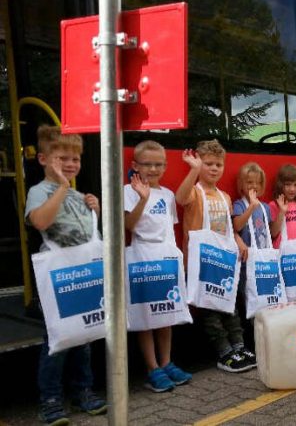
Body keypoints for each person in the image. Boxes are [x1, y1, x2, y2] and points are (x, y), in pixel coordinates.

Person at [26, 125, 107, 424]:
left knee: (83, 336)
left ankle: (83, 391)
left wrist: (94, 209)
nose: (71, 164)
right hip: (59, 275)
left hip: (82, 272)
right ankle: (49, 399)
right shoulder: (39, 191)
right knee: (57, 340)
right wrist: (61, 188)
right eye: (63, 158)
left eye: (76, 159)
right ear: (44, 159)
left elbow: (89, 233)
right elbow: (40, 221)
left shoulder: (76, 194)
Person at [175, 140, 256, 373]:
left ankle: (239, 346)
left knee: (229, 306)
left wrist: (239, 240)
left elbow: (228, 227)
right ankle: (223, 351)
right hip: (201, 262)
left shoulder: (224, 197)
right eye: (208, 164)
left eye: (218, 165)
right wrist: (193, 170)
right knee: (210, 310)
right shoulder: (195, 192)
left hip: (222, 261)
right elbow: (181, 198)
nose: (213, 168)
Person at [124, 140, 192, 392]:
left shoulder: (168, 194)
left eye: (158, 164)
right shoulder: (128, 191)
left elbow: (169, 228)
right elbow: (129, 225)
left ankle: (166, 362)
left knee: (166, 314)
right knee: (146, 316)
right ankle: (152, 367)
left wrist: (176, 257)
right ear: (135, 166)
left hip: (165, 259)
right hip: (142, 260)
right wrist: (143, 198)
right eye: (147, 164)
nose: (153, 169)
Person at [231, 162, 271, 347]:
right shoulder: (239, 205)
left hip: (263, 262)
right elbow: (237, 226)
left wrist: (281, 214)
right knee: (248, 300)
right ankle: (253, 341)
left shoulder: (265, 207)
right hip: (247, 265)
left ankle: (266, 338)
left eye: (257, 183)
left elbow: (272, 232)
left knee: (265, 299)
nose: (253, 187)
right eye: (249, 182)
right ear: (241, 184)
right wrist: (250, 208)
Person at [269, 164, 296, 247]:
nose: (292, 189)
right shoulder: (274, 205)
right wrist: (282, 211)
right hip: (283, 250)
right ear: (280, 185)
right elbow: (273, 233)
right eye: (288, 184)